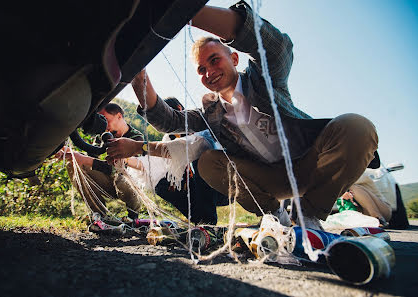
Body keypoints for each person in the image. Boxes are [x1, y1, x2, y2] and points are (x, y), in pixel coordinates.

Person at [115, 1, 378, 230]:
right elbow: (168, 120)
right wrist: (138, 75)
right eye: (201, 69)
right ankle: (273, 214)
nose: (208, 72)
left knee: (357, 127)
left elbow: (277, 48)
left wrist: (183, 10)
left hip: (309, 164)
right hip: (269, 179)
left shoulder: (263, 80)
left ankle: (308, 214)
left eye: (215, 60)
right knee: (208, 162)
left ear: (235, 58)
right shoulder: (211, 112)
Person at [121, 97, 228, 225]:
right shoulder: (168, 138)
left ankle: (208, 221)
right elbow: (154, 162)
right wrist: (125, 158)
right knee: (161, 183)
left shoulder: (200, 125)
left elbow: (190, 146)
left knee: (199, 159)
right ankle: (200, 221)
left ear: (178, 109)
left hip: (222, 185)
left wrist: (137, 146)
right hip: (193, 189)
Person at [56, 103, 144, 228]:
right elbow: (90, 159)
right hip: (109, 183)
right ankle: (99, 214)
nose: (104, 125)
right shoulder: (102, 136)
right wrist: (71, 154)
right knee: (75, 164)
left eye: (106, 119)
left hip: (129, 186)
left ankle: (133, 216)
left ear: (119, 116)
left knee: (122, 176)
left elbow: (118, 168)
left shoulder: (136, 138)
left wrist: (84, 159)